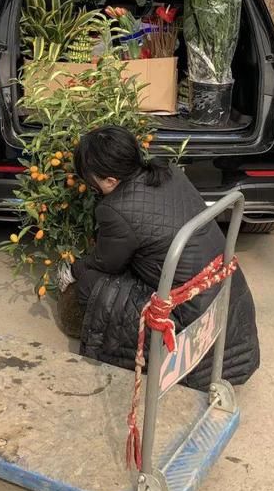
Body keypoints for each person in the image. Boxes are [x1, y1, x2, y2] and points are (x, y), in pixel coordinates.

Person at [70, 126, 259, 390]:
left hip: (188, 318)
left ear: (110, 181)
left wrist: (74, 268)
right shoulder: (169, 171)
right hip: (226, 295)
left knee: (89, 283)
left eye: (92, 181)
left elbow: (107, 264)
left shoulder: (115, 209)